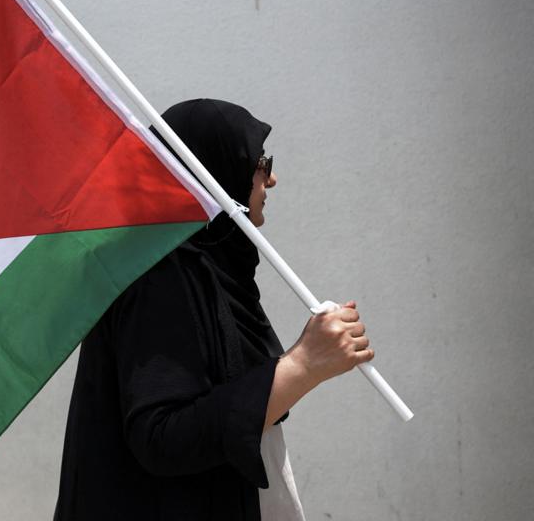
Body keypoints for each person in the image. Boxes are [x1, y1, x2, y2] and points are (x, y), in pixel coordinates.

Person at [53, 98, 375, 521]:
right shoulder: (160, 274)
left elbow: (238, 401)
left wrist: (304, 364)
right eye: (260, 161)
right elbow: (162, 437)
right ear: (217, 167)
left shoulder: (217, 266)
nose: (272, 178)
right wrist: (305, 364)